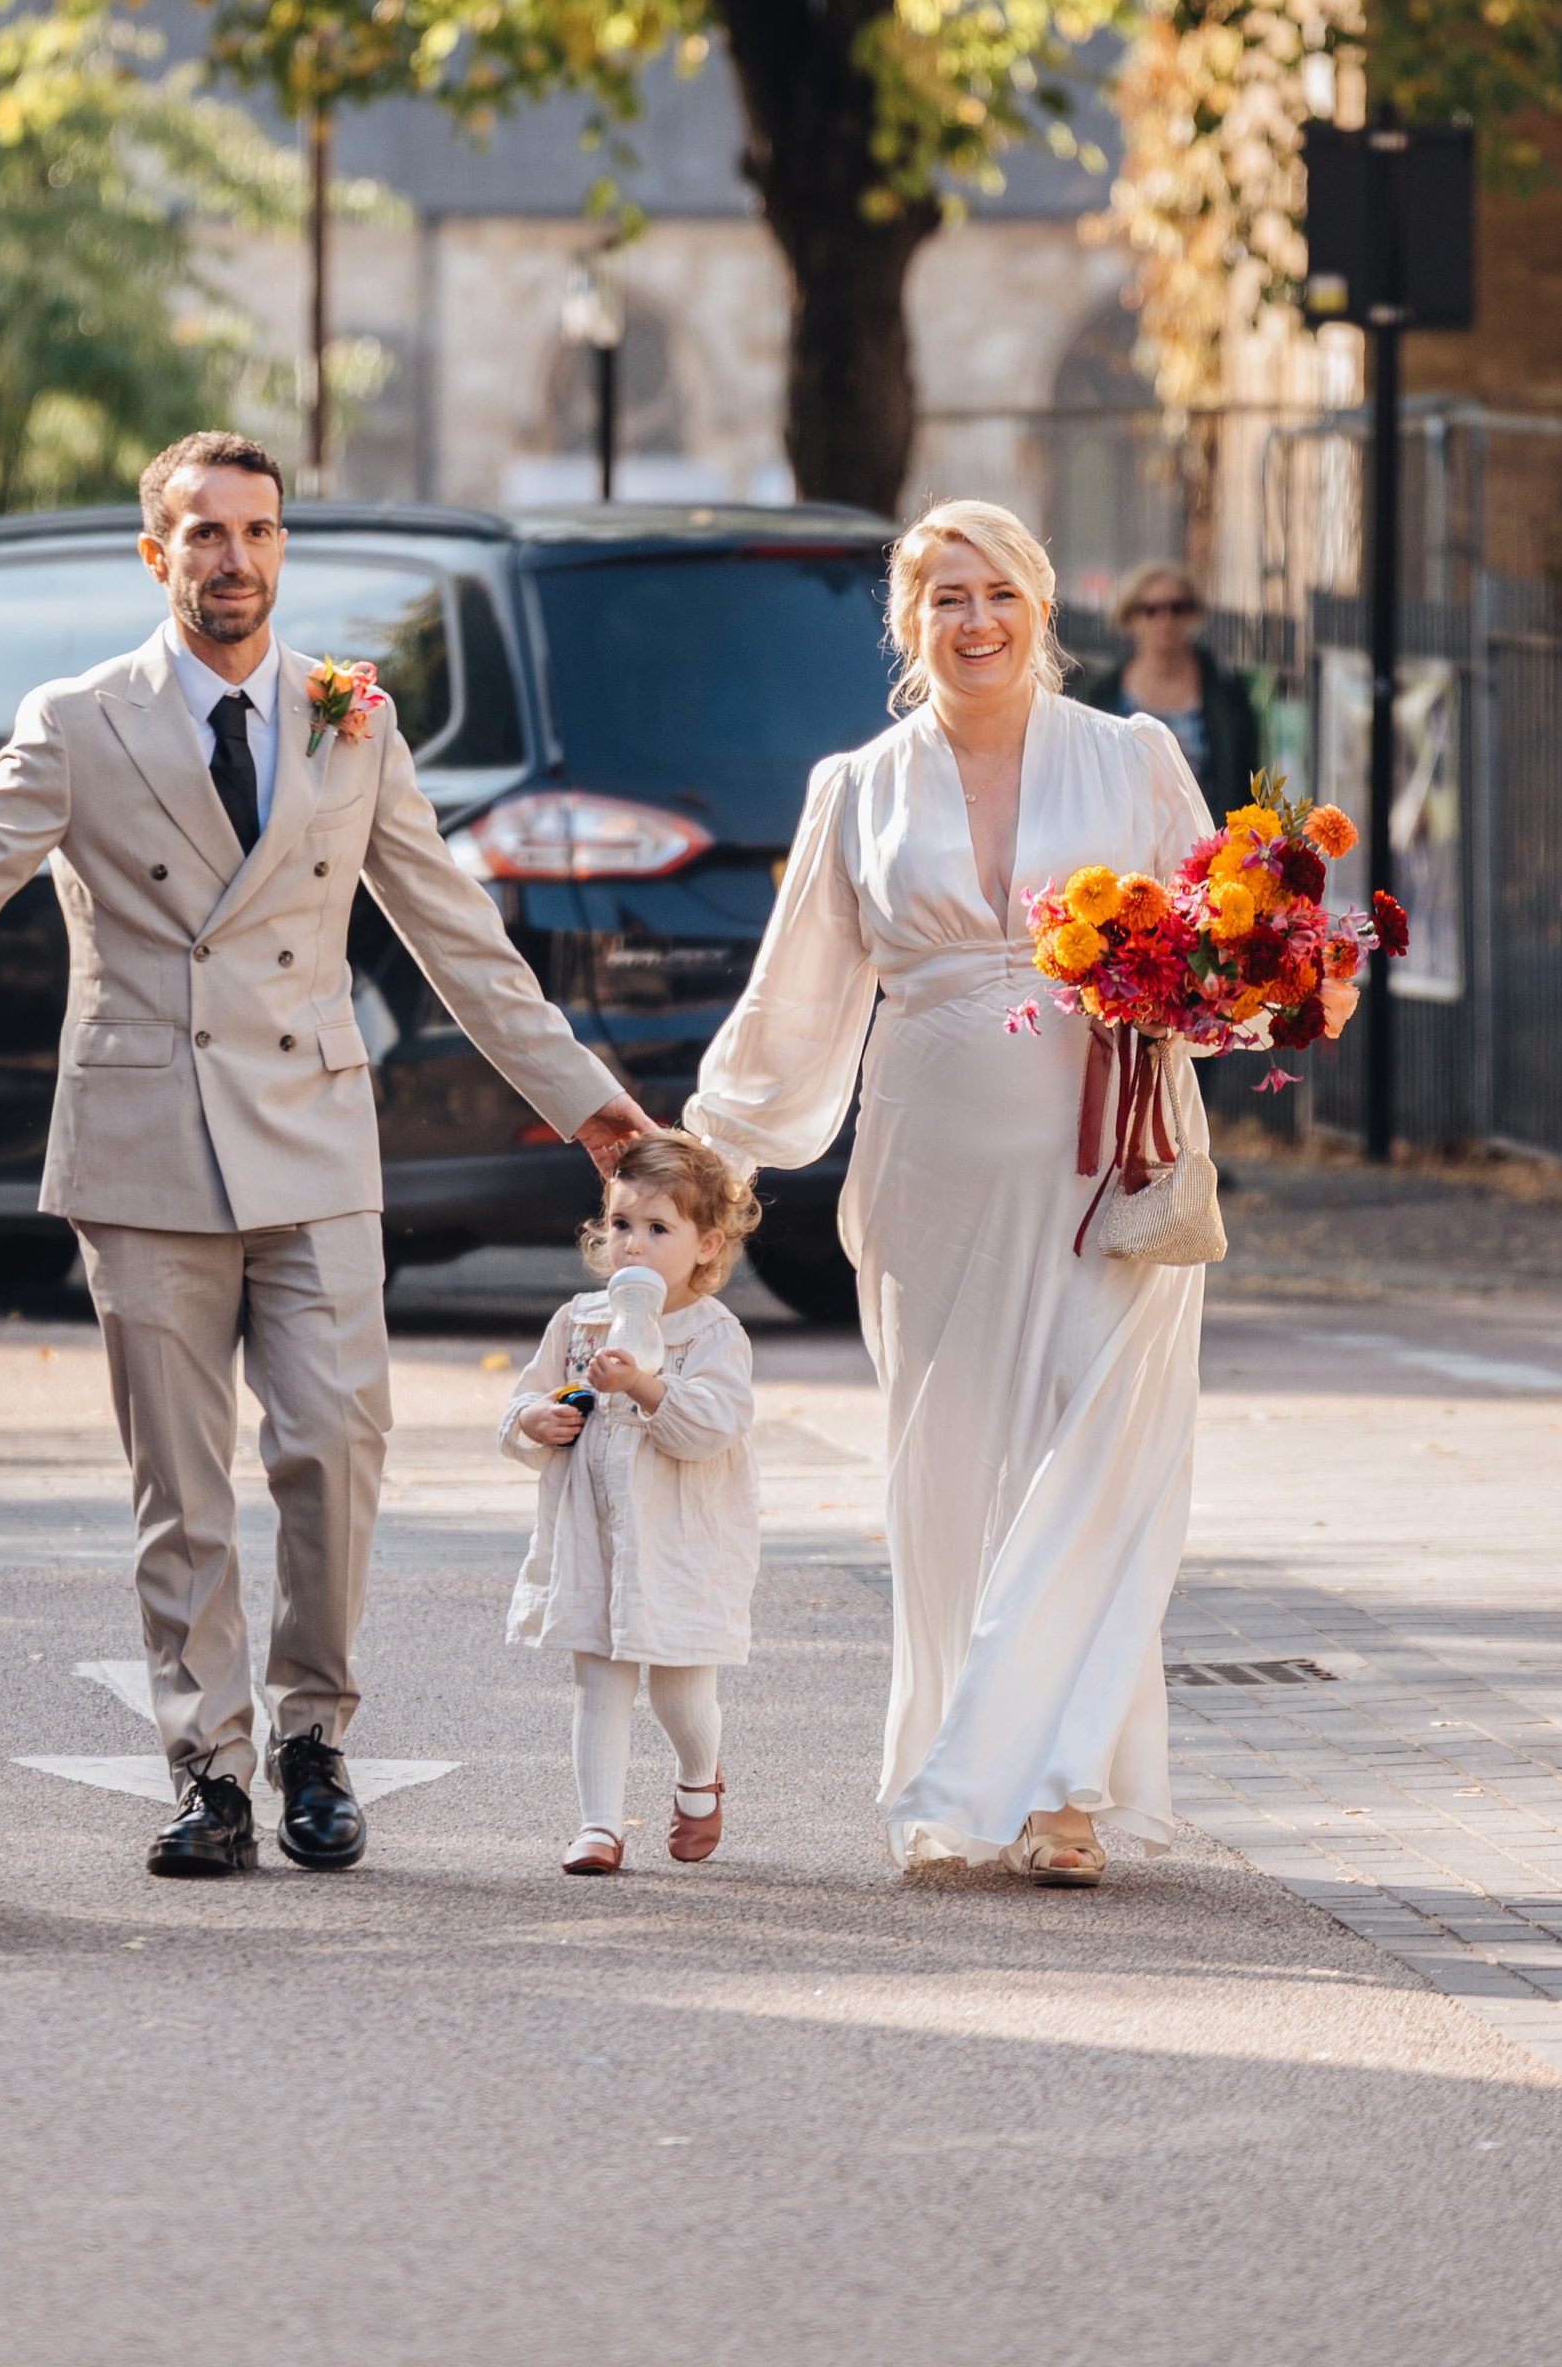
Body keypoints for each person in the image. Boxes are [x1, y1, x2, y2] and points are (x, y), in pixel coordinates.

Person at [0, 428, 655, 1883]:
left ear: (282, 549)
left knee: (333, 1451)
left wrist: (590, 1102)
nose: (233, 559)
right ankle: (210, 1775)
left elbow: (456, 935)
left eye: (258, 532)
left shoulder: (350, 715)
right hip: (144, 1144)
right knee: (180, 1485)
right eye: (204, 533)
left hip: (312, 1134)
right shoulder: (79, 719)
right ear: (154, 552)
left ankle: (315, 1741)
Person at [685, 497, 1211, 1889]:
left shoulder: (1133, 760)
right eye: (944, 599)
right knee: (951, 1471)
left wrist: (1286, 980)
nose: (974, 622)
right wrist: (707, 1158)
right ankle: (963, 1774)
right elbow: (795, 995)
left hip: (1113, 1160)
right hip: (926, 1175)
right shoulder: (858, 787)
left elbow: (1219, 953)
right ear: (910, 627)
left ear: (1042, 607)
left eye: (999, 596)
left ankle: (1066, 1792)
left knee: (1094, 1464)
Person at [499, 1131, 762, 1877]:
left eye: (657, 1229)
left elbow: (711, 1429)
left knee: (681, 1694)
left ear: (706, 1245)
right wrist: (531, 1420)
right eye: (620, 1226)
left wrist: (646, 1387)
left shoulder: (714, 1334)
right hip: (594, 1537)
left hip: (682, 1541)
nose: (634, 1246)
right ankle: (599, 1824)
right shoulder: (579, 1322)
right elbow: (527, 1394)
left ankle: (698, 1779)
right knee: (599, 1677)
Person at [1074, 558, 1263, 809]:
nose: (1166, 619)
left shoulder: (1226, 691)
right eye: (1150, 609)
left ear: (1192, 614)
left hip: (1211, 840)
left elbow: (1248, 779)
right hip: (1123, 841)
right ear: (1130, 617)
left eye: (1177, 608)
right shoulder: (1101, 693)